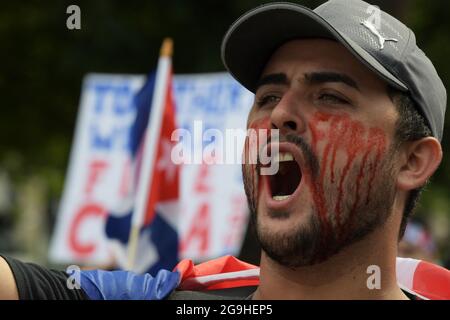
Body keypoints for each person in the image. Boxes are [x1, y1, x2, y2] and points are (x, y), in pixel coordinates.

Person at [1, 0, 449, 300]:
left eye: (330, 96)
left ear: (412, 161)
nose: (279, 116)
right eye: (268, 97)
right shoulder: (181, 298)